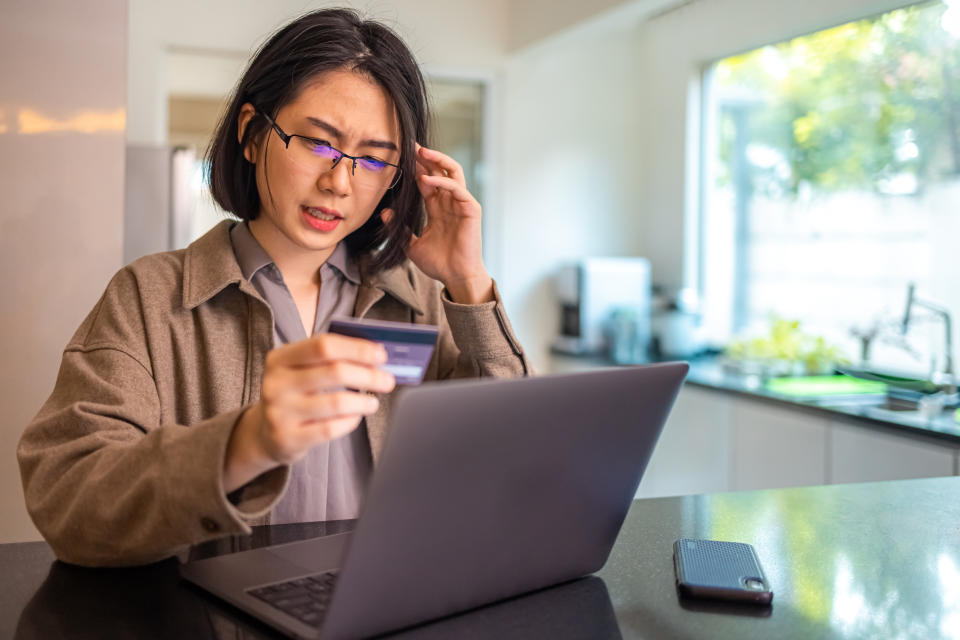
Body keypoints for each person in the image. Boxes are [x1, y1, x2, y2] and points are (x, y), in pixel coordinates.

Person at [17, 8, 529, 567]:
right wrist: (246, 442)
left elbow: (509, 463)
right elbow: (69, 502)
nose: (339, 181)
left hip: (382, 603)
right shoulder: (150, 298)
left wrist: (468, 281)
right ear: (252, 135)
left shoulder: (421, 301)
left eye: (374, 160)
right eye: (316, 143)